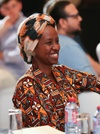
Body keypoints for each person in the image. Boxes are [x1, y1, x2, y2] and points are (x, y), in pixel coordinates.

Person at [12, 13, 100, 131]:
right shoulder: (26, 85)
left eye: (57, 41)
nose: (57, 47)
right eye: (49, 43)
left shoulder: (63, 73)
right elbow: (43, 130)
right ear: (31, 48)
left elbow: (95, 82)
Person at [45, 0, 100, 77]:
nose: (80, 18)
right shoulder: (67, 46)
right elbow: (91, 83)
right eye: (75, 16)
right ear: (63, 22)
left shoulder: (65, 42)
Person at [0, 0, 29, 80]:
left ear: (20, 5)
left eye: (14, 6)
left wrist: (2, 55)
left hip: (17, 71)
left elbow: (21, 55)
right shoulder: (2, 25)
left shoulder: (28, 25)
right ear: (2, 11)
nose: (11, 10)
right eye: (7, 8)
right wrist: (3, 29)